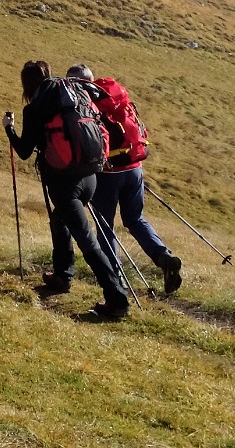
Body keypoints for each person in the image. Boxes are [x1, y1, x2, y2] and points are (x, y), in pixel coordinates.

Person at [4, 60, 131, 321]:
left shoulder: (35, 109)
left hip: (64, 183)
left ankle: (117, 300)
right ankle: (62, 275)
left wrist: (9, 129)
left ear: (26, 83)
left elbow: (25, 152)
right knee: (59, 221)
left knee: (87, 241)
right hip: (90, 176)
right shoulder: (72, 96)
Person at [67, 64, 183, 295]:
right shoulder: (116, 97)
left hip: (109, 173)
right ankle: (162, 256)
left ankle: (115, 277)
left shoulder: (87, 104)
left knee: (105, 226)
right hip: (135, 169)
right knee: (135, 219)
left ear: (78, 83)